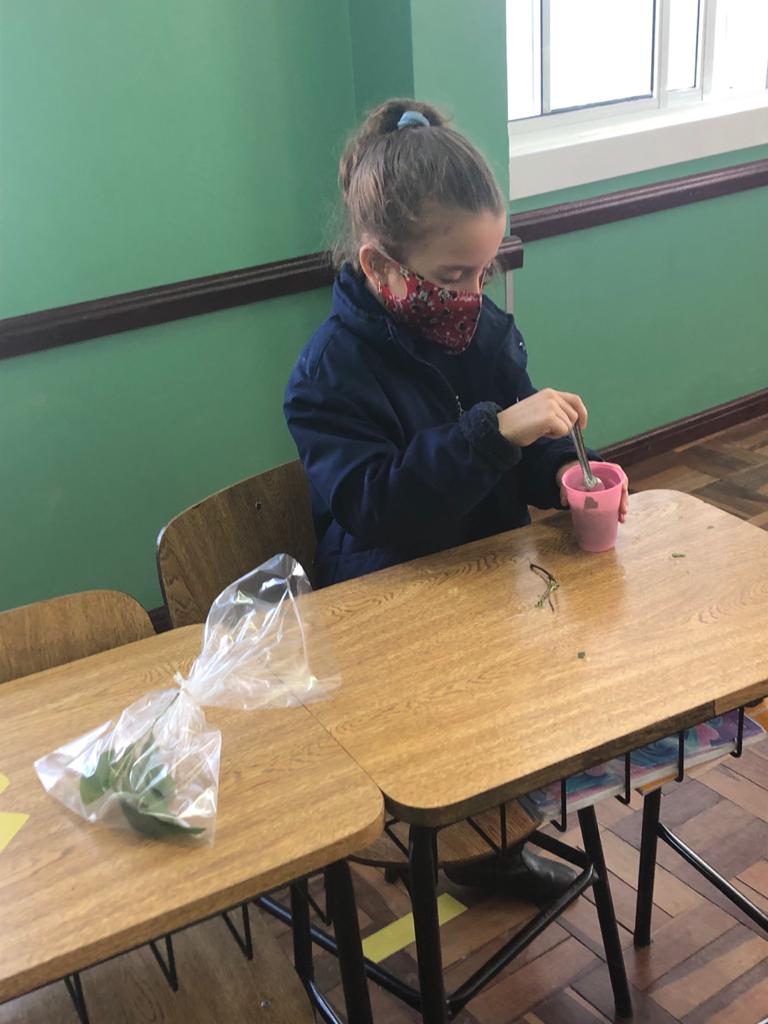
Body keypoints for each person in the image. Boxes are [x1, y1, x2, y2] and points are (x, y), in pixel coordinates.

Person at [284, 98, 628, 902]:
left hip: (487, 581)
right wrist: (496, 432)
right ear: (380, 266)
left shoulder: (483, 330)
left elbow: (525, 447)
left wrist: (565, 475)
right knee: (446, 742)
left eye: (484, 271)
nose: (474, 293)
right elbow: (376, 504)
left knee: (510, 716)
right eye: (453, 277)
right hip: (386, 608)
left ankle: (489, 852)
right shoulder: (326, 373)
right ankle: (450, 847)